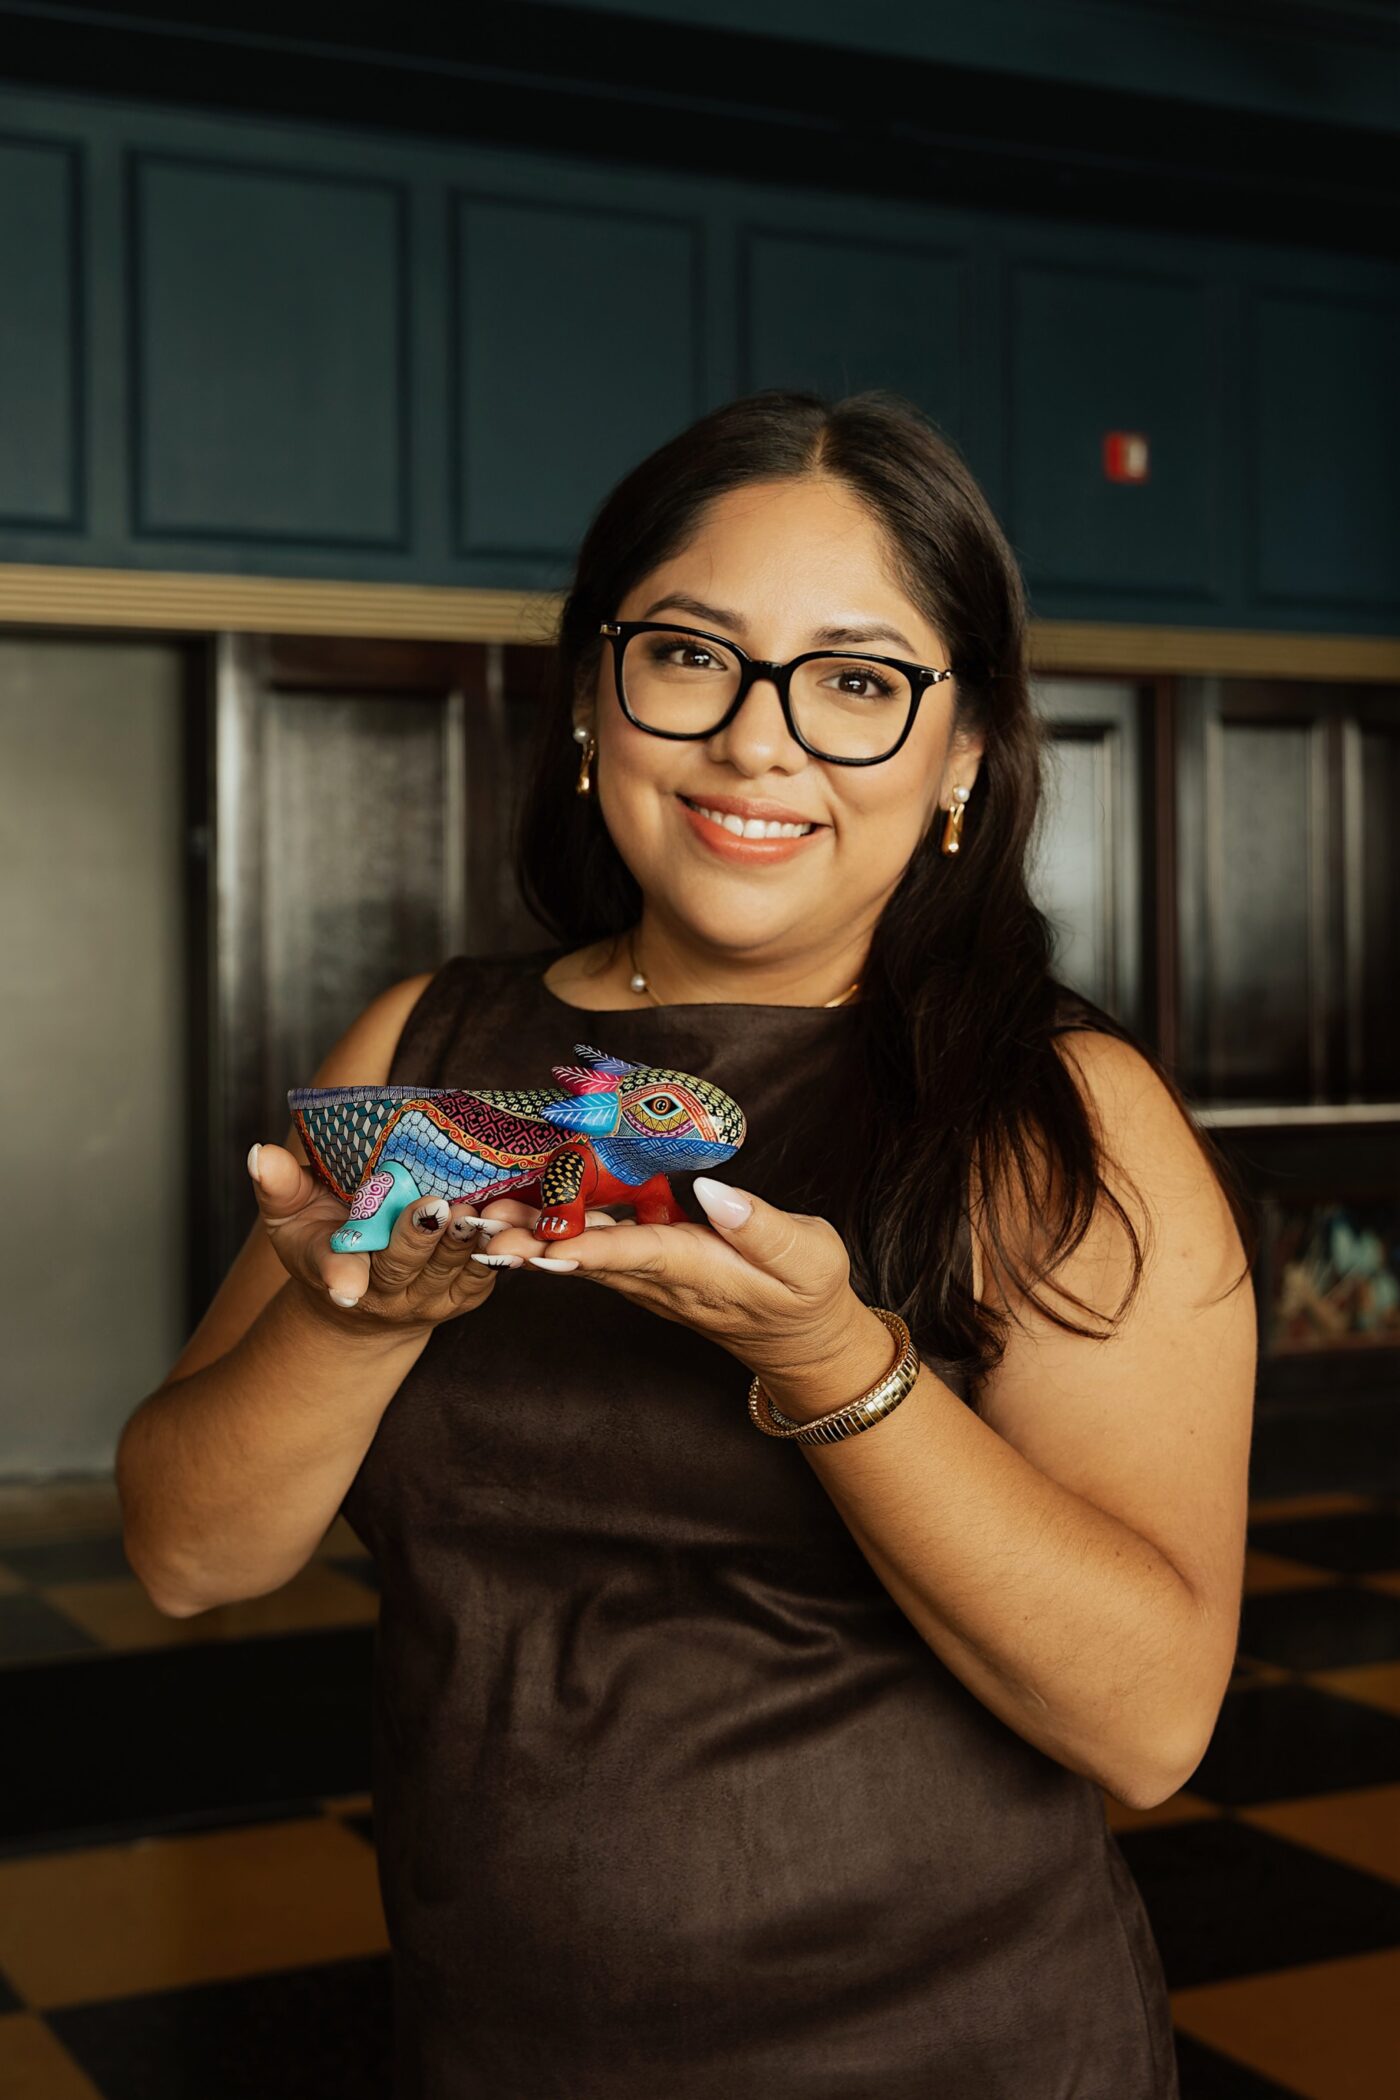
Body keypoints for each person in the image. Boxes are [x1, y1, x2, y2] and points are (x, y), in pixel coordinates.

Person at [117, 388, 1259, 2098]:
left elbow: (1149, 1726)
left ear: (961, 755)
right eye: (690, 657)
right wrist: (352, 1328)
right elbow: (186, 1555)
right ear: (595, 694)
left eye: (859, 682)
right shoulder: (425, 1046)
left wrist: (828, 1359)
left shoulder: (1056, 1117)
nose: (757, 741)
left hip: (960, 2053)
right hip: (498, 2046)